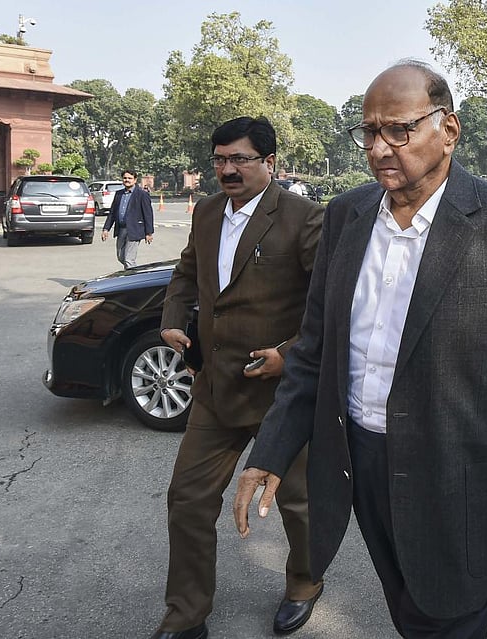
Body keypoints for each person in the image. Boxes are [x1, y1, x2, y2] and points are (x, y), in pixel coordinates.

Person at [233, 61, 487, 639]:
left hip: (465, 473)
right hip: (361, 462)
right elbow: (315, 351)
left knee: (448, 613)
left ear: (449, 129)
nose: (380, 147)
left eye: (399, 129)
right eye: (369, 132)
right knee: (409, 602)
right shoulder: (345, 217)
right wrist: (269, 451)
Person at [152, 116, 325, 639]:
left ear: (269, 162)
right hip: (214, 389)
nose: (227, 170)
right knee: (187, 500)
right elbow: (185, 274)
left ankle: (304, 583)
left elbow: (330, 305)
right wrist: (172, 322)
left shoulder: (303, 217)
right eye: (220, 159)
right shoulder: (205, 214)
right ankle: (186, 615)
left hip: (281, 396)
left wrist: (288, 354)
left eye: (240, 160)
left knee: (298, 504)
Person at [101, 169, 154, 268]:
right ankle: (131, 275)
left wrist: (149, 232)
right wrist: (106, 229)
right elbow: (112, 213)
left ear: (135, 180)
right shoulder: (119, 194)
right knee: (121, 256)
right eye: (125, 178)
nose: (127, 180)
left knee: (129, 259)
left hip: (134, 229)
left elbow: (148, 214)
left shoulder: (142, 194)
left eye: (130, 178)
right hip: (121, 229)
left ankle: (133, 280)